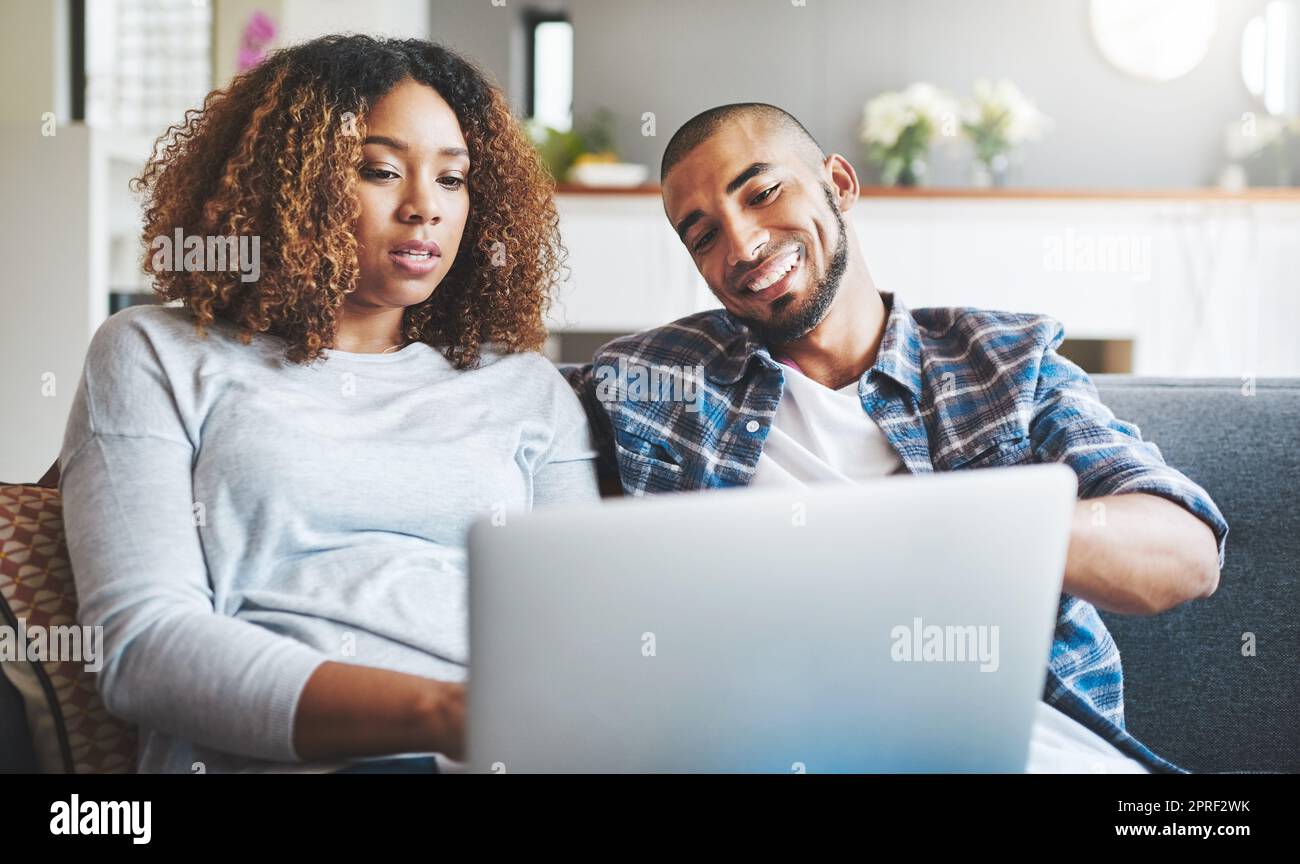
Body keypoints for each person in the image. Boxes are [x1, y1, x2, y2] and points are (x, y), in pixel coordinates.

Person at [564, 103, 1229, 773]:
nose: (741, 245)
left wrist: (945, 531)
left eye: (763, 193)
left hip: (1010, 744)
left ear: (841, 184)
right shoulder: (650, 380)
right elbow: (484, 416)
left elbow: (1186, 555)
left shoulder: (1003, 361)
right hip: (766, 743)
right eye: (703, 235)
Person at [57, 35, 598, 774]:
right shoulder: (154, 351)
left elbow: (586, 628)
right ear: (290, 182)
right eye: (379, 171)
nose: (423, 209)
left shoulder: (525, 387)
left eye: (452, 180)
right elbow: (142, 648)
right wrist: (447, 716)